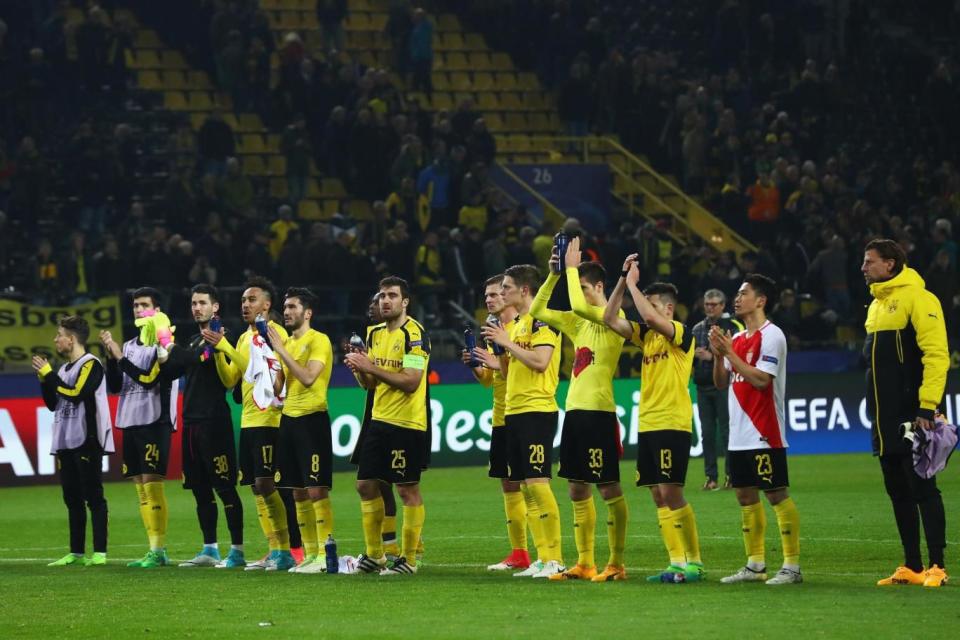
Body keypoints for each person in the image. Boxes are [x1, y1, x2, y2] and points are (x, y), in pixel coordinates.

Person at [527, 237, 630, 582]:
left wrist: (571, 271)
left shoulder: (611, 318)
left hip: (600, 412)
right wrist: (555, 274)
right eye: (580, 286)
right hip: (574, 412)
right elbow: (538, 310)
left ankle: (615, 563)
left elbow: (581, 306)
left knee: (608, 487)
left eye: (586, 286)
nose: (581, 292)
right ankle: (585, 563)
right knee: (576, 487)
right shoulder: (579, 323)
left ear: (600, 287)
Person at [603, 256, 704, 583]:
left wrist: (633, 284)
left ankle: (695, 562)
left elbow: (646, 313)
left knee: (670, 491)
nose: (645, 309)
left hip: (672, 421)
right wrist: (622, 280)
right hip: (648, 423)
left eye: (653, 303)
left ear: (669, 309)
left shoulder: (680, 333)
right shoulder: (646, 338)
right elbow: (609, 318)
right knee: (657, 494)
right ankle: (675, 562)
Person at [861, 239, 950, 588]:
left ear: (891, 264)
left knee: (923, 487)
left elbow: (936, 355)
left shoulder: (919, 298)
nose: (864, 268)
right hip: (884, 419)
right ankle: (912, 565)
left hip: (913, 414)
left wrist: (927, 406)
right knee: (897, 489)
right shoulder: (876, 307)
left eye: (870, 262)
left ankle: (938, 566)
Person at [709, 274, 803, 586]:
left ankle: (791, 566)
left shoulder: (772, 335)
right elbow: (721, 383)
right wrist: (718, 354)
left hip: (764, 430)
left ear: (760, 301)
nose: (737, 299)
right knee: (745, 495)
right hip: (738, 434)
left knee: (776, 494)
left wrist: (730, 355)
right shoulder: (735, 339)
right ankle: (755, 564)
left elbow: (762, 379)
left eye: (743, 293)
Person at [203, 276, 295, 571]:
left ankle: (284, 551)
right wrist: (220, 351)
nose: (245, 304)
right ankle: (273, 549)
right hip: (248, 420)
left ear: (267, 305)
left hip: (271, 417)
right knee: (256, 487)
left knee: (267, 483)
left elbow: (258, 372)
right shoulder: (243, 337)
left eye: (252, 299)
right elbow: (231, 378)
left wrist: (226, 347)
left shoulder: (275, 333)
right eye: (243, 300)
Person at [481, 264, 565, 578]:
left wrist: (508, 345)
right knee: (526, 489)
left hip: (537, 411)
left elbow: (541, 363)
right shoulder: (515, 327)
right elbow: (509, 371)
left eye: (506, 288)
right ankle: (541, 558)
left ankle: (554, 558)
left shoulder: (543, 322)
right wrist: (495, 360)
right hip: (513, 413)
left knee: (538, 484)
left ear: (524, 291)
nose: (501, 294)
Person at [344, 276, 431, 575]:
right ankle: (375, 555)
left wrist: (372, 367)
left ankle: (408, 559)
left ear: (405, 302)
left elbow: (412, 381)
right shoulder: (375, 334)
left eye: (392, 295)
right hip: (379, 421)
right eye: (382, 295)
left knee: (407, 490)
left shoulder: (415, 334)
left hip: (407, 423)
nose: (385, 300)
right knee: (365, 485)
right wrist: (359, 368)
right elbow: (370, 384)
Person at [158, 284, 245, 569]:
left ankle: (237, 550)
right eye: (193, 303)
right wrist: (161, 354)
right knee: (199, 488)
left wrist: (172, 348)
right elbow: (174, 369)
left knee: (225, 487)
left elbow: (201, 359)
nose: (196, 308)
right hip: (192, 422)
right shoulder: (196, 340)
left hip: (214, 421)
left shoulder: (221, 337)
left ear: (215, 307)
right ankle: (210, 549)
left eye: (202, 303)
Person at [100, 288, 179, 569]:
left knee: (152, 483)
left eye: (144, 305)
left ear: (157, 311)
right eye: (135, 305)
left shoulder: (165, 346)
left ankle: (159, 550)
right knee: (140, 488)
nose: (138, 310)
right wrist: (111, 358)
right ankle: (153, 549)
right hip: (129, 420)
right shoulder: (131, 344)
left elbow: (147, 379)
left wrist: (119, 356)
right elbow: (116, 386)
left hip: (153, 420)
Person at [462, 275, 530, 571]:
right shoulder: (494, 332)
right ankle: (520, 553)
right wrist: (477, 366)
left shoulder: (523, 328)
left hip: (524, 413)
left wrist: (495, 361)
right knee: (509, 484)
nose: (489, 299)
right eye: (487, 295)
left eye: (495, 293)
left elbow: (529, 366)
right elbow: (489, 381)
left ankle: (547, 554)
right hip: (501, 416)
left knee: (532, 483)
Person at [34, 316, 113, 567]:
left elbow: (77, 394)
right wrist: (45, 380)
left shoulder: (91, 364)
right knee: (72, 497)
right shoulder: (63, 369)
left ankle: (99, 552)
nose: (56, 339)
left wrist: (51, 378)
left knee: (94, 496)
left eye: (59, 334)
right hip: (66, 439)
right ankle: (76, 552)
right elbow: (52, 404)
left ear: (71, 338)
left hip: (87, 438)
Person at [267, 288, 335, 574]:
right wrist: (270, 365)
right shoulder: (286, 344)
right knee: (296, 492)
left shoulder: (319, 340)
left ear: (307, 313)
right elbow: (279, 387)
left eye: (293, 307)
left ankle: (324, 554)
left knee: (316, 489)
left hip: (312, 419)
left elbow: (308, 378)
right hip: (289, 419)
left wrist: (282, 351)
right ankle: (308, 554)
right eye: (285, 307)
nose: (287, 311)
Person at [691, 289, 743, 490]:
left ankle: (732, 475)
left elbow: (737, 357)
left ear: (722, 306)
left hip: (724, 386)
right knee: (707, 434)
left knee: (727, 433)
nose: (710, 308)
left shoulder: (732, 328)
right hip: (703, 387)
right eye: (707, 304)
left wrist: (712, 358)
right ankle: (711, 478)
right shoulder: (696, 329)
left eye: (714, 304)